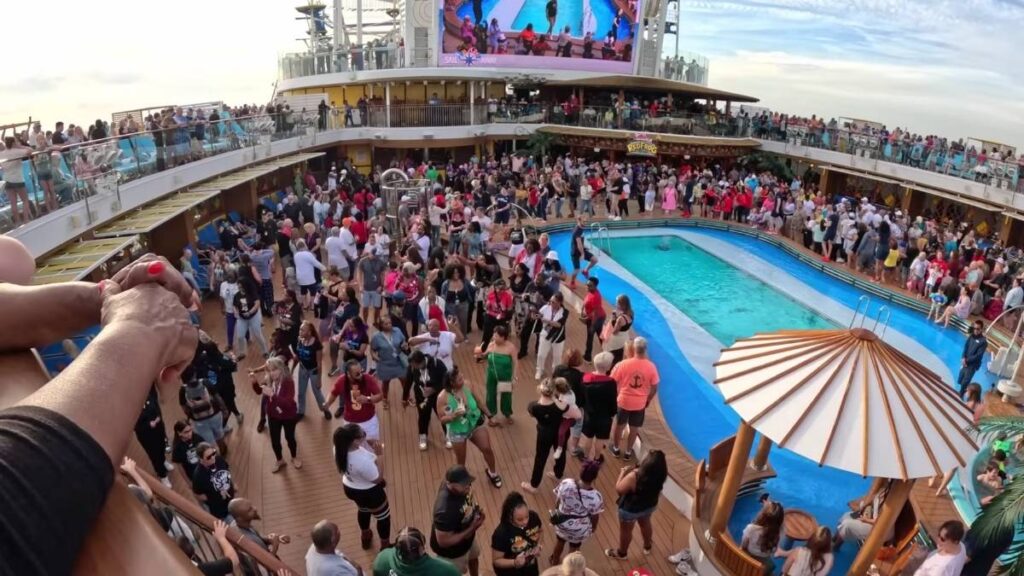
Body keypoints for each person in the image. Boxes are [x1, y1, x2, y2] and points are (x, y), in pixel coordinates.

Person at [437, 365, 504, 487]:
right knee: (461, 461)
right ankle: (463, 481)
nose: (463, 379)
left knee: (487, 449)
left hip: (474, 424)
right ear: (451, 383)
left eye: (462, 376)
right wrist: (453, 416)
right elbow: (442, 419)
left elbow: (478, 401)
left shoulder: (467, 385)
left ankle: (492, 473)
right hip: (457, 431)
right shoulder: (442, 398)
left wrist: (490, 416)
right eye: (459, 379)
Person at [333, 423, 392, 551]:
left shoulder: (338, 448)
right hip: (370, 492)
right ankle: (385, 546)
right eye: (362, 435)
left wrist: (364, 444)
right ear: (354, 441)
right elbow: (378, 479)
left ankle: (365, 536)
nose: (365, 436)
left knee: (363, 510)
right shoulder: (362, 461)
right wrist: (379, 454)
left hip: (351, 487)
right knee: (383, 517)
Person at [605, 449, 667, 559]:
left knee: (626, 531)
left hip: (630, 509)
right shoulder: (661, 475)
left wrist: (622, 473)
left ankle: (622, 553)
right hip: (649, 505)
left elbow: (619, 489)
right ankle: (647, 546)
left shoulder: (634, 476)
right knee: (645, 523)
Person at [609, 337, 660, 460]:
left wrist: (615, 395)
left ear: (634, 348)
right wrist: (648, 399)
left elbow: (612, 382)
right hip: (640, 404)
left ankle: (616, 449)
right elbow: (654, 387)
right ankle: (628, 452)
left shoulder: (623, 364)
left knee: (619, 425)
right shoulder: (651, 367)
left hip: (623, 401)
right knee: (634, 428)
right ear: (645, 349)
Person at [431, 465, 487, 576]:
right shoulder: (444, 511)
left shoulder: (462, 490)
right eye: (464, 484)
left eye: (468, 482)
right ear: (450, 484)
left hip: (468, 538)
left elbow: (467, 501)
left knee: (474, 558)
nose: (468, 486)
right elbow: (443, 542)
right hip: (453, 553)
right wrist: (472, 527)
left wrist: (475, 512)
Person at [548, 458, 604, 565]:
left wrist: (557, 511)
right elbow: (595, 516)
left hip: (562, 521)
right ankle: (568, 568)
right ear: (594, 477)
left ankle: (554, 561)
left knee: (560, 541)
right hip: (580, 528)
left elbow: (558, 500)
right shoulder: (596, 496)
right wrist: (593, 527)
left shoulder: (566, 483)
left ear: (581, 472)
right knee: (574, 547)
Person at [522, 378, 569, 494]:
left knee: (540, 458)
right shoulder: (560, 405)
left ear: (541, 390)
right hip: (560, 432)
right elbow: (566, 408)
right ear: (554, 391)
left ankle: (534, 485)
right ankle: (558, 474)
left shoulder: (534, 406)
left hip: (544, 433)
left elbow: (532, 415)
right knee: (560, 452)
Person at [324, 360, 384, 448]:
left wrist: (368, 399)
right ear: (348, 374)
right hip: (350, 423)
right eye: (357, 374)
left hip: (369, 422)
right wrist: (327, 403)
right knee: (352, 449)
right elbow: (333, 393)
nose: (361, 375)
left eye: (361, 371)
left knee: (373, 448)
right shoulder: (341, 380)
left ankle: (372, 461)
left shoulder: (368, 379)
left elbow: (380, 395)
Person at [259, 356, 301, 472]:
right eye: (269, 370)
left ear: (281, 369)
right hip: (273, 416)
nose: (272, 373)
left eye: (274, 370)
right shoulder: (269, 380)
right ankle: (280, 460)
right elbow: (258, 390)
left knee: (290, 437)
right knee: (275, 440)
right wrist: (253, 380)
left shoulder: (289, 382)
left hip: (288, 415)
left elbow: (287, 403)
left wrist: (273, 395)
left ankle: (294, 457)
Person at [491, 491, 543, 576]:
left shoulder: (533, 517)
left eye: (527, 516)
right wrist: (514, 562)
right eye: (520, 519)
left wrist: (539, 545)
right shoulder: (501, 533)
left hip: (530, 565)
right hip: (510, 571)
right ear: (509, 516)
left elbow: (541, 531)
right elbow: (496, 561)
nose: (525, 522)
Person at [578, 352, 618, 461]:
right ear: (609, 366)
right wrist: (612, 413)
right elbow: (612, 400)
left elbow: (581, 398)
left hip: (589, 414)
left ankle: (586, 457)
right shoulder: (611, 383)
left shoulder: (585, 379)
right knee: (600, 438)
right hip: (604, 416)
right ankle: (596, 458)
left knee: (588, 437)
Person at [476, 324, 519, 426]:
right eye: (493, 335)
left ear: (503, 337)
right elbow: (485, 356)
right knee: (490, 394)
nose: (493, 337)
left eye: (496, 336)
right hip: (491, 374)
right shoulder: (491, 345)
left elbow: (516, 362)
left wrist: (514, 377)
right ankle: (491, 414)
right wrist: (479, 354)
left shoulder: (511, 347)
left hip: (505, 375)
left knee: (506, 395)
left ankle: (507, 414)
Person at [134, 386, 174, 488]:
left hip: (158, 428)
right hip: (146, 434)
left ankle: (164, 460)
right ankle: (162, 475)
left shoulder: (149, 397)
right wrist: (148, 424)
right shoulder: (132, 407)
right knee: (154, 454)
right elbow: (134, 424)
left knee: (161, 446)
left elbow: (156, 407)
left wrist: (158, 418)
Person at [370, 314, 409, 410]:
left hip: (399, 361)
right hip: (385, 363)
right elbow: (372, 349)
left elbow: (403, 341)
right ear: (381, 325)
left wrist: (404, 345)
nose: (389, 325)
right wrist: (374, 356)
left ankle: (406, 397)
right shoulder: (376, 337)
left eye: (390, 323)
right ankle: (385, 399)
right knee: (385, 383)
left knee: (404, 381)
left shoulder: (397, 330)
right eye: (386, 324)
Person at [295, 321, 332, 420]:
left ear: (309, 332)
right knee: (301, 392)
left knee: (317, 392)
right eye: (300, 329)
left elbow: (319, 363)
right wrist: (291, 369)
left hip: (313, 371)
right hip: (303, 369)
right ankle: (300, 411)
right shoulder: (300, 340)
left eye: (303, 330)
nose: (300, 331)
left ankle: (325, 409)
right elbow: (297, 356)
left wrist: (319, 380)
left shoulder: (316, 344)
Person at [192, 442, 236, 520]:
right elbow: (198, 495)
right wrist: (214, 497)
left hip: (232, 500)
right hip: (220, 510)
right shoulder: (198, 475)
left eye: (213, 453)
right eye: (208, 457)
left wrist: (232, 484)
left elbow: (226, 469)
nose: (213, 457)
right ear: (201, 459)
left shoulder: (218, 459)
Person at [741, 500, 784, 573]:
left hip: (750, 556)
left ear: (762, 514)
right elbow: (772, 551)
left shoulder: (751, 529)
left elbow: (743, 545)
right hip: (764, 560)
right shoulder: (777, 534)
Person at [535, 292, 568, 380]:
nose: (550, 303)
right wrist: (535, 316)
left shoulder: (565, 312)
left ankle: (556, 373)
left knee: (557, 357)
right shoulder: (546, 307)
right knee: (541, 354)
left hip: (558, 337)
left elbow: (558, 325)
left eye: (553, 302)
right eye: (550, 301)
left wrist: (546, 320)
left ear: (559, 303)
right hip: (545, 334)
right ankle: (539, 370)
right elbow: (538, 314)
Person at [580, 277, 606, 363]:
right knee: (600, 336)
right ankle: (608, 352)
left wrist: (591, 324)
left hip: (597, 319)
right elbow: (586, 301)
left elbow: (596, 313)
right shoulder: (591, 292)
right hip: (595, 317)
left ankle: (587, 357)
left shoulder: (596, 297)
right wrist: (582, 310)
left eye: (589, 286)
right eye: (587, 284)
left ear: (595, 286)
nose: (587, 287)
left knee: (590, 337)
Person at [959, 320, 987, 398]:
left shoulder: (983, 342)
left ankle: (960, 396)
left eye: (978, 329)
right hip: (965, 362)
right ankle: (963, 391)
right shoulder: (971, 336)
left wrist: (966, 360)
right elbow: (966, 347)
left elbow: (978, 355)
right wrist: (963, 358)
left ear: (981, 329)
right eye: (974, 328)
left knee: (965, 381)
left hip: (972, 365)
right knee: (961, 379)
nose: (975, 330)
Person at [603, 294, 633, 365]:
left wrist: (613, 319)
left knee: (611, 354)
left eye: (617, 303)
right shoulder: (631, 313)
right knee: (619, 355)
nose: (616, 304)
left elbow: (615, 332)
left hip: (616, 340)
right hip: (625, 337)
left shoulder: (621, 319)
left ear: (622, 305)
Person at [569, 216, 598, 289]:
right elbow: (578, 243)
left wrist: (584, 247)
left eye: (586, 221)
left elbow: (581, 242)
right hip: (575, 253)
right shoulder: (577, 231)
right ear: (579, 221)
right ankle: (572, 281)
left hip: (581, 249)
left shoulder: (581, 228)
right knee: (577, 269)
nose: (585, 223)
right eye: (583, 221)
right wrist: (582, 254)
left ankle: (585, 270)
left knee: (594, 260)